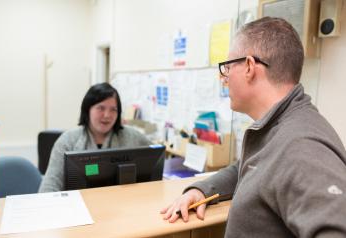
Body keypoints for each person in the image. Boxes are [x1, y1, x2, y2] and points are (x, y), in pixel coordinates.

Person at [161, 17, 346, 238]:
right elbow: (248, 169)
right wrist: (201, 190)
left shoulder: (300, 146)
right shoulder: (277, 128)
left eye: (227, 67)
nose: (224, 78)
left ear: (249, 67)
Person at [39, 82, 151, 192]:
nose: (107, 115)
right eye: (101, 108)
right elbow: (50, 185)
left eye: (113, 110)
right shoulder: (67, 140)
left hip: (122, 204)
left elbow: (155, 159)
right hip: (79, 205)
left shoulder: (133, 136)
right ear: (88, 109)